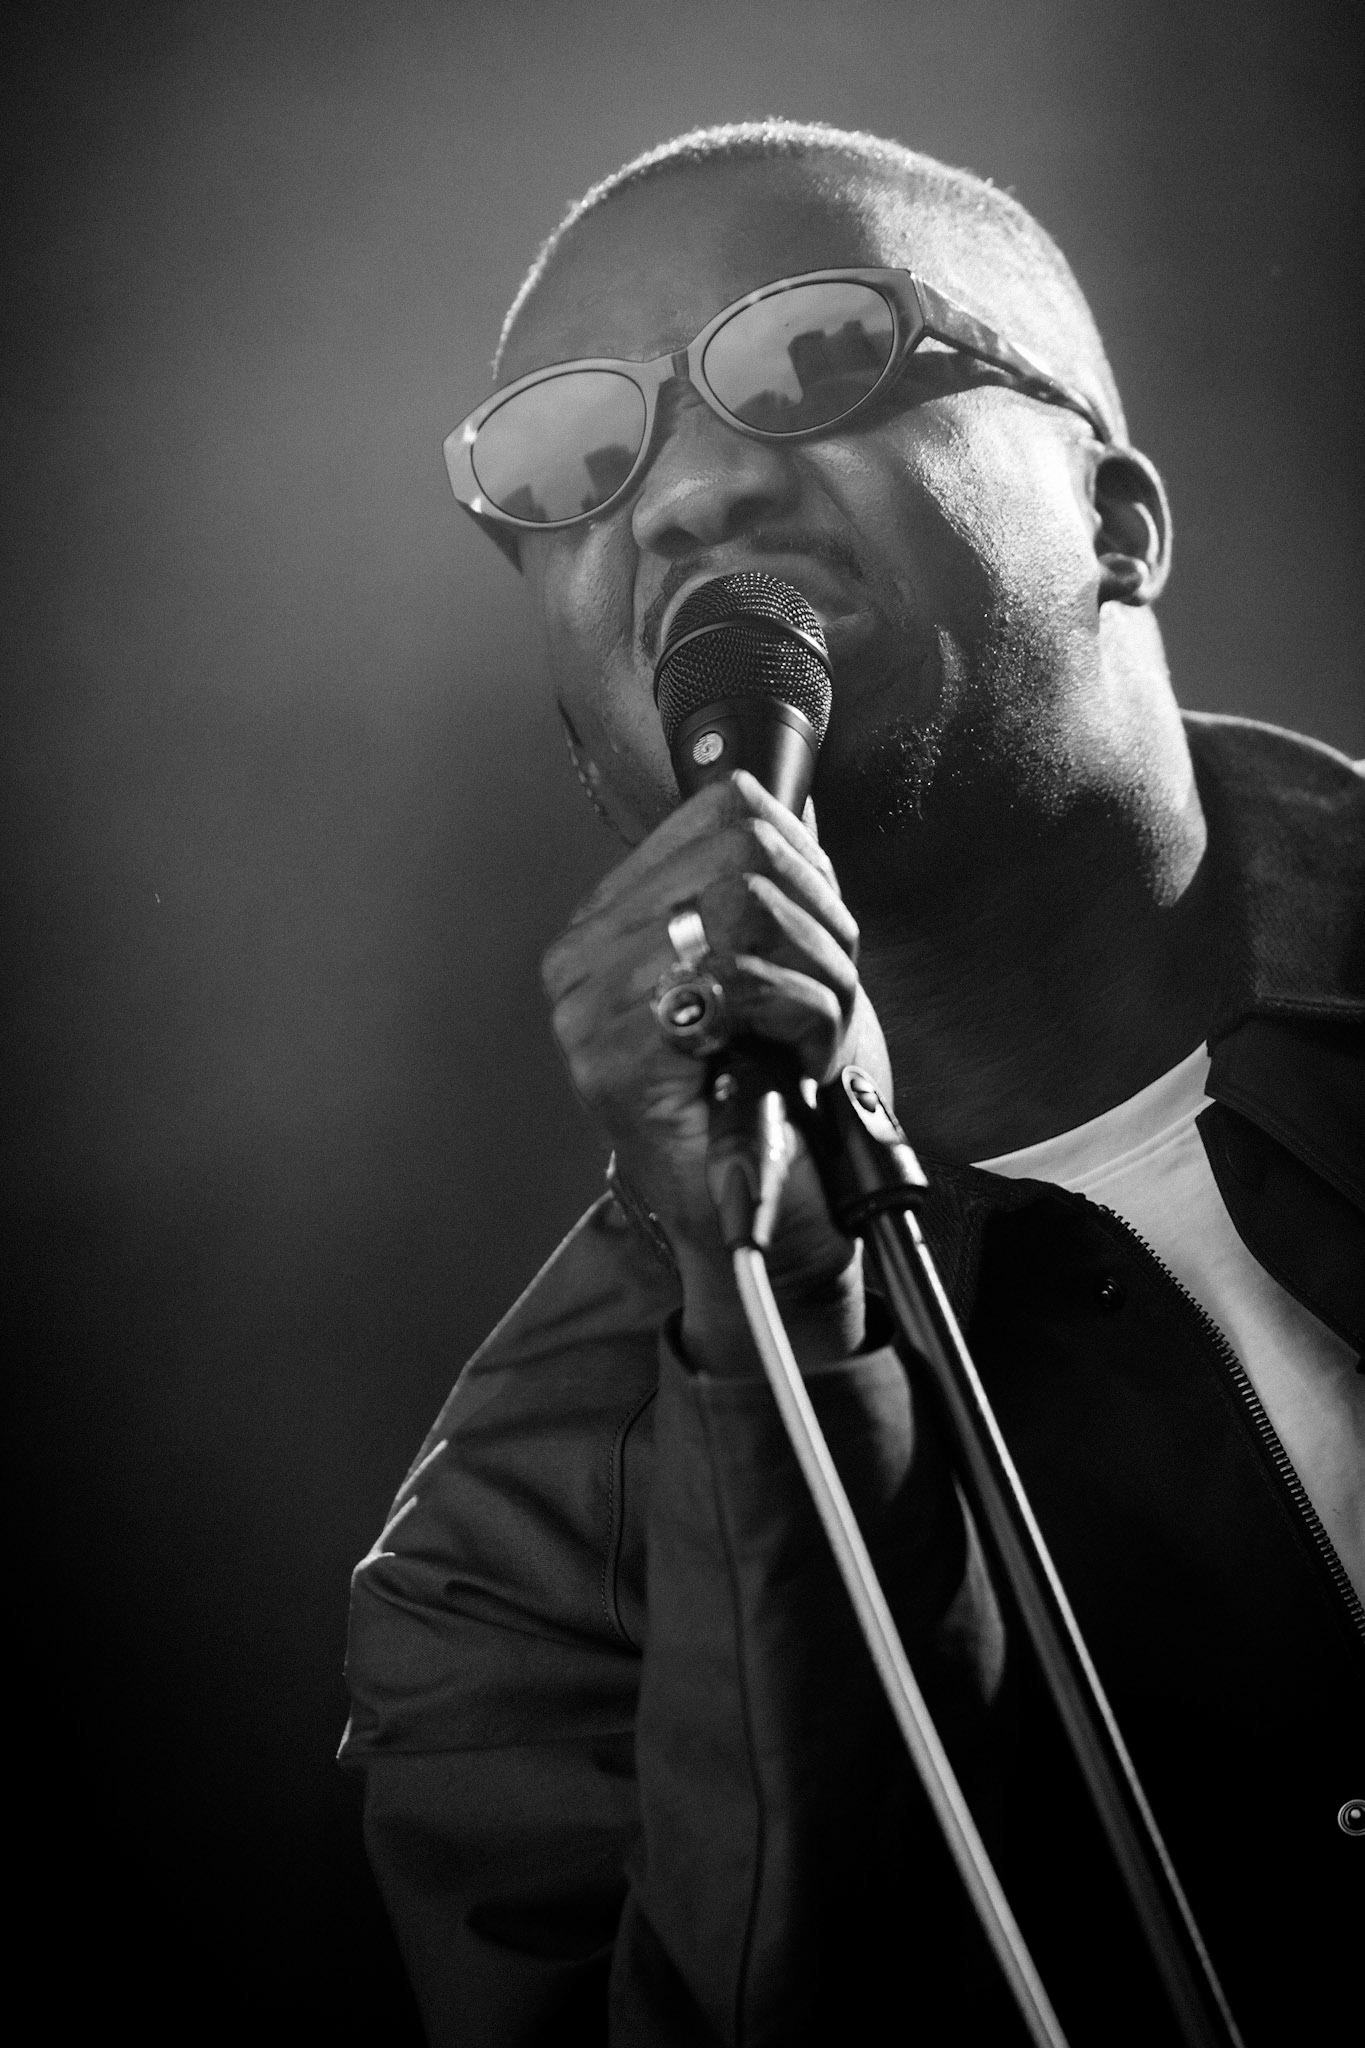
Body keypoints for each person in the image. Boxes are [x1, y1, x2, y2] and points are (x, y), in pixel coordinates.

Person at [340, 123, 1364, 2046]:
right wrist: (778, 1338)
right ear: (580, 724)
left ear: (1116, 518)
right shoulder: (516, 1562)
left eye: (815, 360)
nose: (687, 498)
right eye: (572, 467)